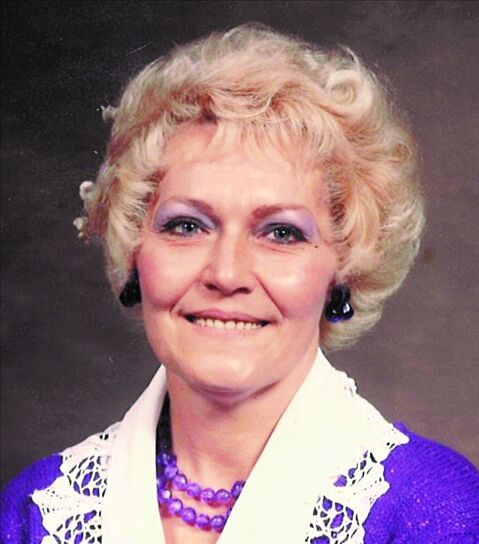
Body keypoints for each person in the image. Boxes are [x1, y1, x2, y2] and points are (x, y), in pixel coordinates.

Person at [1, 24, 478, 544]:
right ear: (135, 251)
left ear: (344, 269)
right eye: (187, 226)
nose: (226, 274)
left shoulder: (436, 509)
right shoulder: (35, 512)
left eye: (281, 233)